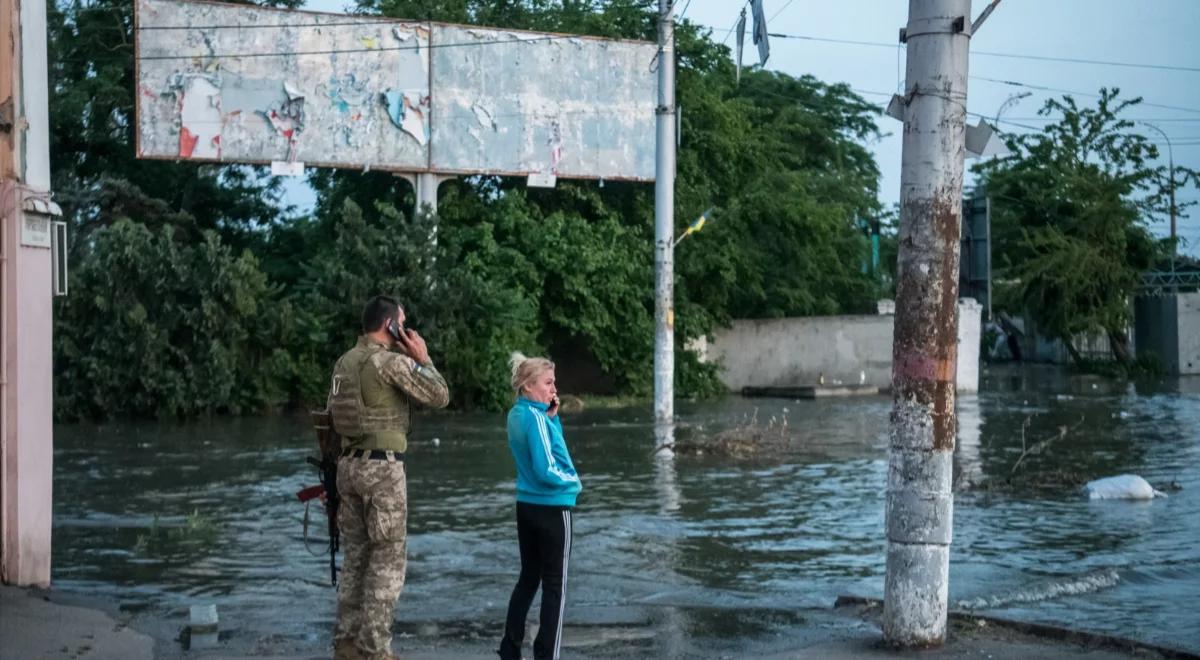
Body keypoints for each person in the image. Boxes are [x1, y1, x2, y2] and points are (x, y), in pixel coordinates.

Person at [329, 295, 450, 660]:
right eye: (403, 322)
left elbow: (332, 418)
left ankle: (347, 644)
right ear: (390, 325)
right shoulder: (389, 363)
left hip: (346, 467)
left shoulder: (343, 363)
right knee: (387, 561)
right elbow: (440, 395)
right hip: (381, 468)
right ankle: (375, 649)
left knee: (356, 559)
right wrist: (423, 357)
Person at [498, 353, 582, 660]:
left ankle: (510, 646)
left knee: (529, 577)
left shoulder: (518, 414)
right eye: (548, 383)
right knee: (555, 587)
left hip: (527, 506)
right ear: (528, 385)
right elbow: (548, 467)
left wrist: (553, 418)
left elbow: (545, 444)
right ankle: (547, 654)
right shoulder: (534, 419)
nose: (553, 389)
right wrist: (574, 483)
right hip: (552, 508)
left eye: (554, 383)